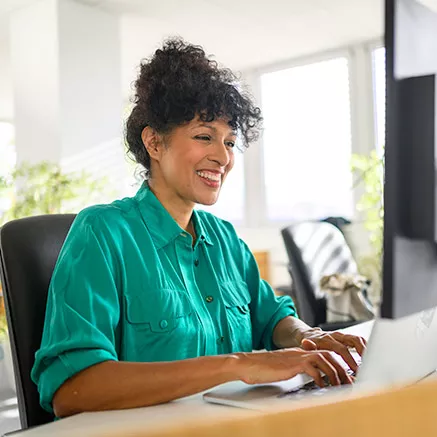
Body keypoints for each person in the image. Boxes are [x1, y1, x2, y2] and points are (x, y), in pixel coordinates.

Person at [31, 38, 366, 418]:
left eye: (229, 142)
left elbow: (271, 317)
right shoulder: (103, 233)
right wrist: (237, 365)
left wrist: (308, 336)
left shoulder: (224, 239)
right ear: (154, 142)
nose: (223, 157)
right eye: (204, 136)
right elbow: (73, 390)